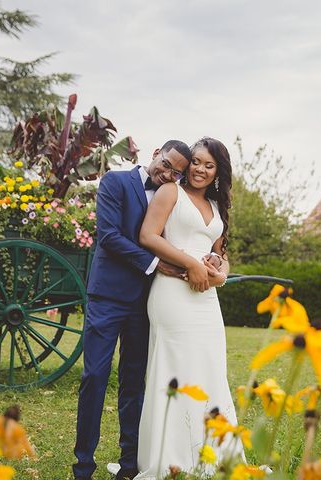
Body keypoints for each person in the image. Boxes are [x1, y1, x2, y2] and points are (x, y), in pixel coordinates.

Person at [72, 140, 193, 480]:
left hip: (145, 302)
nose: (167, 173)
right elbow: (108, 236)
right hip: (108, 297)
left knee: (134, 382)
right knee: (94, 376)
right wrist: (156, 263)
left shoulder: (172, 197)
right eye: (167, 164)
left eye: (176, 173)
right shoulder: (116, 182)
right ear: (156, 153)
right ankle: (83, 465)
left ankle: (129, 465)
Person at [136, 137, 243, 478]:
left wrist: (217, 274)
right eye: (196, 161)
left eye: (208, 165)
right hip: (171, 294)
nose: (199, 169)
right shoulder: (171, 193)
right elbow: (149, 236)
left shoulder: (216, 207)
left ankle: (212, 453)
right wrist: (191, 265)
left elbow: (222, 256)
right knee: (175, 371)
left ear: (217, 173)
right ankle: (169, 458)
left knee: (209, 367)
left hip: (207, 300)